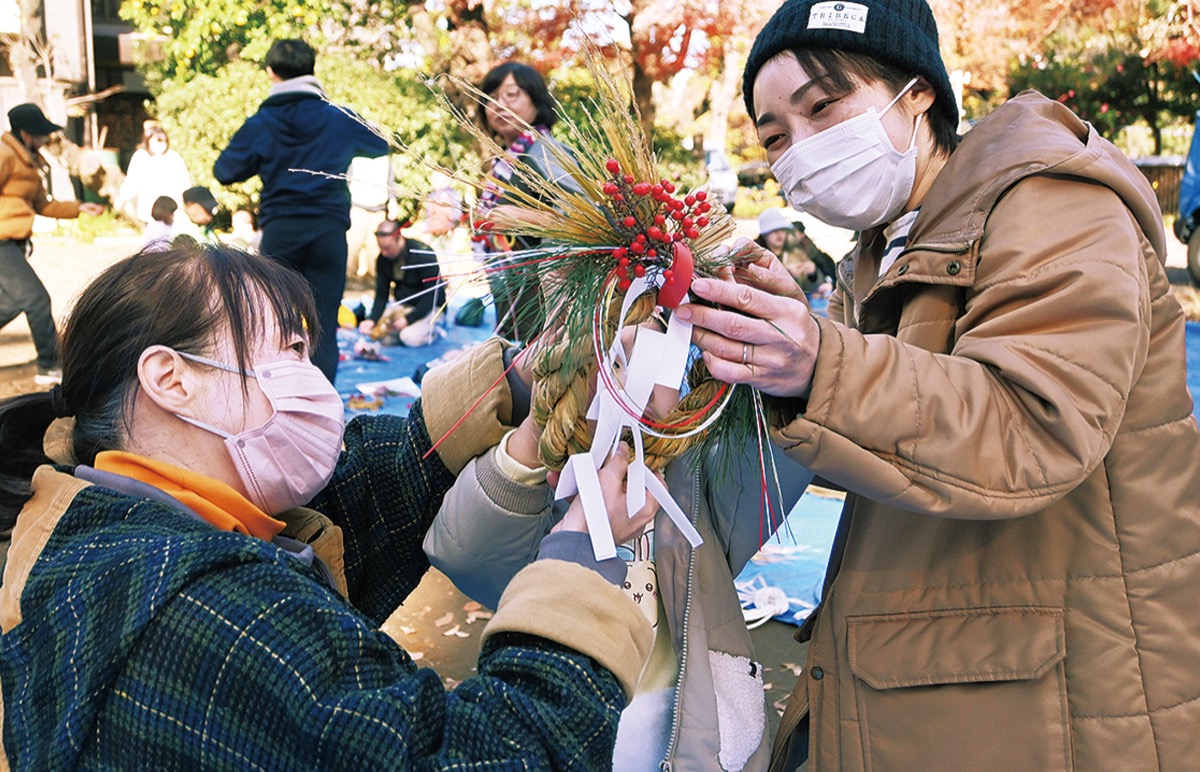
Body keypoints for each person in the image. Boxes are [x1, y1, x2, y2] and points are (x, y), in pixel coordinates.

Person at [673, 1, 1200, 769]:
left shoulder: (1052, 203)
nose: (802, 149)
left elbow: (1031, 424)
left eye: (825, 107)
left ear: (916, 91)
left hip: (1069, 700)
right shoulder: (889, 248)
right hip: (953, 675)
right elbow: (899, 427)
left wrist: (823, 362)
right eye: (776, 137)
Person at [0, 240, 656, 768]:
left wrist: (522, 383)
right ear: (172, 380)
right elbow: (481, 757)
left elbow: (356, 501)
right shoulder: (208, 611)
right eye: (287, 349)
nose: (312, 379)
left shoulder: (115, 518)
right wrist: (581, 559)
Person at [425, 356, 814, 770]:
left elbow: (778, 460)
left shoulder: (697, 483)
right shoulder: (551, 493)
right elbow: (467, 553)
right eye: (612, 358)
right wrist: (534, 437)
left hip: (696, 739)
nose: (633, 379)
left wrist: (781, 373)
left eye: (657, 350)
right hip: (570, 734)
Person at [214, 37, 390, 384]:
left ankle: (281, 402)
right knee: (324, 324)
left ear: (271, 72)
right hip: (328, 231)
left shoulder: (262, 122)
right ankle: (322, 411)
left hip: (280, 233)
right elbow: (380, 143)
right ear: (312, 69)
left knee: (276, 323)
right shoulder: (337, 117)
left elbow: (225, 171)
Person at [474, 61, 581, 344]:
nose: (499, 105)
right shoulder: (508, 160)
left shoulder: (545, 152)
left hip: (547, 314)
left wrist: (521, 217)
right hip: (518, 301)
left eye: (511, 95)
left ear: (537, 100)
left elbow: (585, 218)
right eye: (492, 98)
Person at [0, 103, 105, 385]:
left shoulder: (28, 161)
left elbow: (42, 205)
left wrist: (80, 207)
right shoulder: (5, 154)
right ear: (25, 133)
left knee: (10, 303)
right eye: (41, 134)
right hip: (1, 244)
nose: (46, 139)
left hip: (14, 242)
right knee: (36, 299)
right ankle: (49, 365)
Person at [357, 218, 442, 347]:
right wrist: (372, 319)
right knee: (379, 334)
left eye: (387, 248)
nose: (384, 253)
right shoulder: (383, 259)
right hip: (403, 304)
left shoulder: (423, 254)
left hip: (428, 306)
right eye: (381, 248)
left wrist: (408, 320)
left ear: (399, 238)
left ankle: (436, 329)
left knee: (408, 338)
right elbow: (381, 294)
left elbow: (432, 296)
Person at [114, 121, 192, 228]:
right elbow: (132, 181)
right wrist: (122, 198)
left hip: (173, 212)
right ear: (148, 141)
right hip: (149, 212)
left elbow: (184, 182)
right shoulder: (141, 157)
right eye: (156, 142)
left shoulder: (173, 157)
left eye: (162, 142)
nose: (159, 146)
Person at [754, 207, 835, 297]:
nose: (779, 233)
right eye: (773, 230)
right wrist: (784, 273)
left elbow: (808, 290)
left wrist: (813, 273)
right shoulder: (756, 255)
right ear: (764, 234)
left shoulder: (796, 252)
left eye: (782, 229)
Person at [345, 154, 394, 278]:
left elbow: (390, 182)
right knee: (353, 245)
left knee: (376, 247)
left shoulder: (385, 159)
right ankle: (350, 277)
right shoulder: (355, 157)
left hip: (379, 208)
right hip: (358, 207)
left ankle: (375, 278)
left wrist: (393, 201)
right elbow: (346, 180)